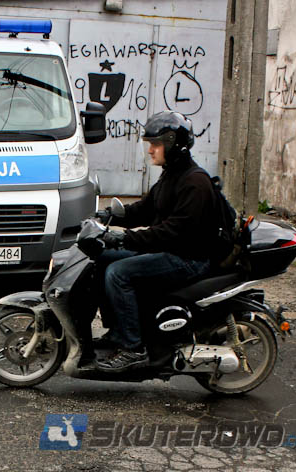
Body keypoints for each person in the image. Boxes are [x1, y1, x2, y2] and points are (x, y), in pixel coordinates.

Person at [92, 110, 224, 373]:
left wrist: (123, 238)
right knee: (101, 259)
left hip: (189, 259)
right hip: (172, 250)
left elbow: (171, 232)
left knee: (119, 272)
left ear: (173, 144)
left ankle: (134, 348)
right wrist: (111, 216)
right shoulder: (172, 174)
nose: (150, 150)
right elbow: (146, 209)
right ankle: (118, 332)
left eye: (156, 144)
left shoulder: (195, 182)